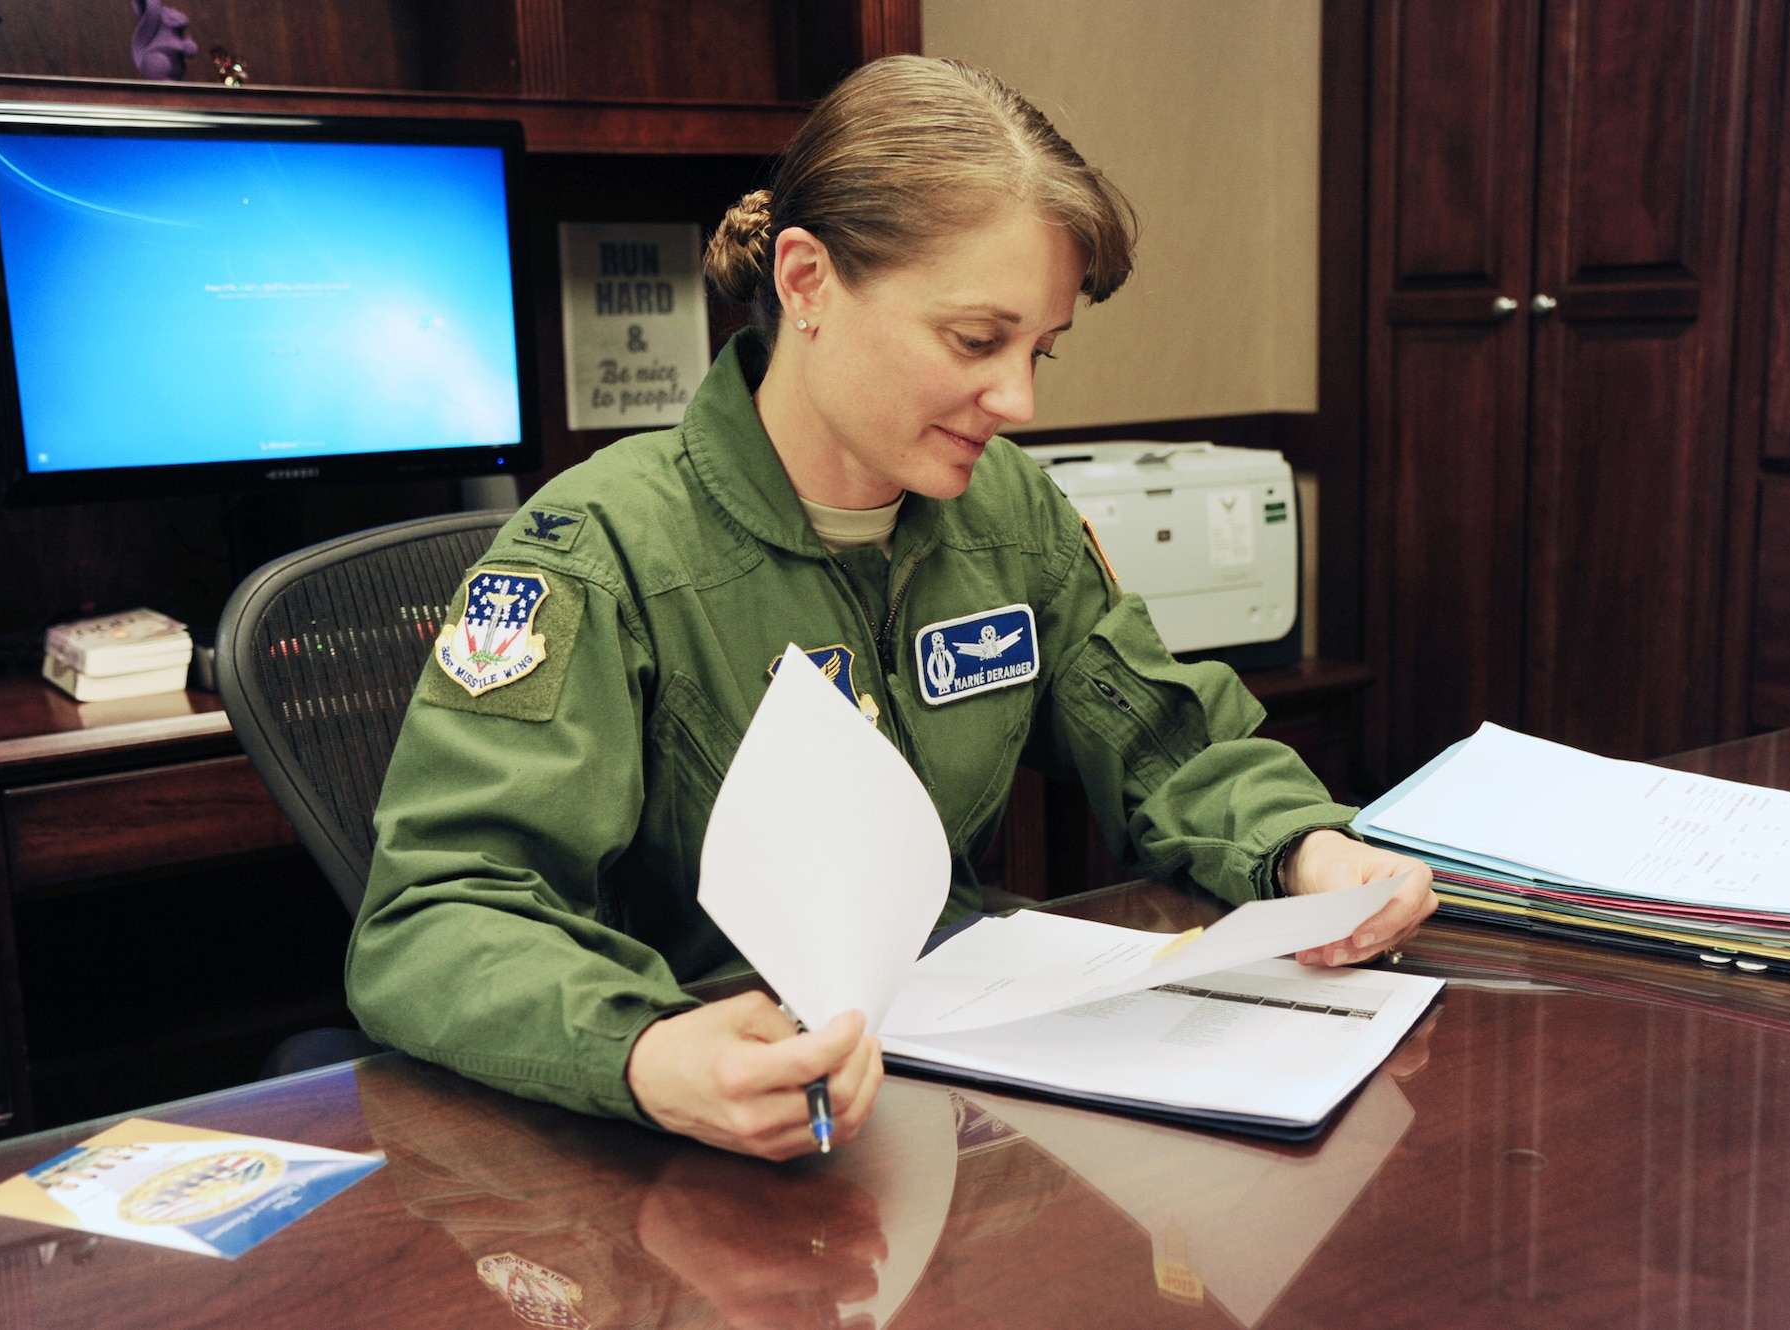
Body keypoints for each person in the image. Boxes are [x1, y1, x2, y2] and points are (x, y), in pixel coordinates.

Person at [350, 54, 1436, 1162]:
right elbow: (435, 920)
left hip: (941, 1099)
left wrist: (1303, 849)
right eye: (975, 341)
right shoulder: (598, 551)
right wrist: (648, 1048)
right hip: (684, 1140)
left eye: (1039, 349)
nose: (1017, 400)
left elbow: (1164, 735)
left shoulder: (1003, 512)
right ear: (808, 281)